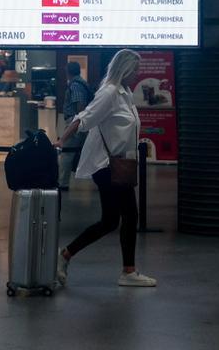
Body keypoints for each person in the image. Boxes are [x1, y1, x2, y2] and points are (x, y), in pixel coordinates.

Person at [54, 49, 156, 287]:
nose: (138, 74)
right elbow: (84, 117)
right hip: (107, 165)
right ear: (126, 69)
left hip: (120, 164)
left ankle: (67, 255)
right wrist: (62, 140)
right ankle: (127, 271)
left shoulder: (126, 93)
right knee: (126, 215)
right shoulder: (109, 92)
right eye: (136, 70)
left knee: (113, 219)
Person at [58, 62, 93, 191]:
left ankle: (62, 183)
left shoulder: (76, 85)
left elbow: (80, 105)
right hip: (79, 122)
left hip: (75, 122)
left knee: (67, 152)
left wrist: (78, 123)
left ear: (68, 71)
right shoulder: (81, 83)